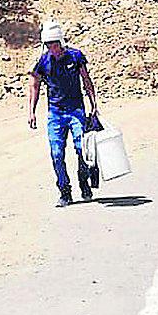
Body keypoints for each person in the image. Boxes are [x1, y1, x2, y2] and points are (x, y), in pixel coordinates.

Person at [28, 21, 99, 207]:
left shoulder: (76, 57)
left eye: (55, 43)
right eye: (49, 45)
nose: (53, 48)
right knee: (57, 153)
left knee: (81, 149)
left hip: (76, 111)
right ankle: (64, 191)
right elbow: (34, 85)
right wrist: (31, 112)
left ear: (61, 41)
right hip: (55, 114)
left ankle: (84, 182)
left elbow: (86, 80)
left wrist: (93, 104)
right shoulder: (43, 62)